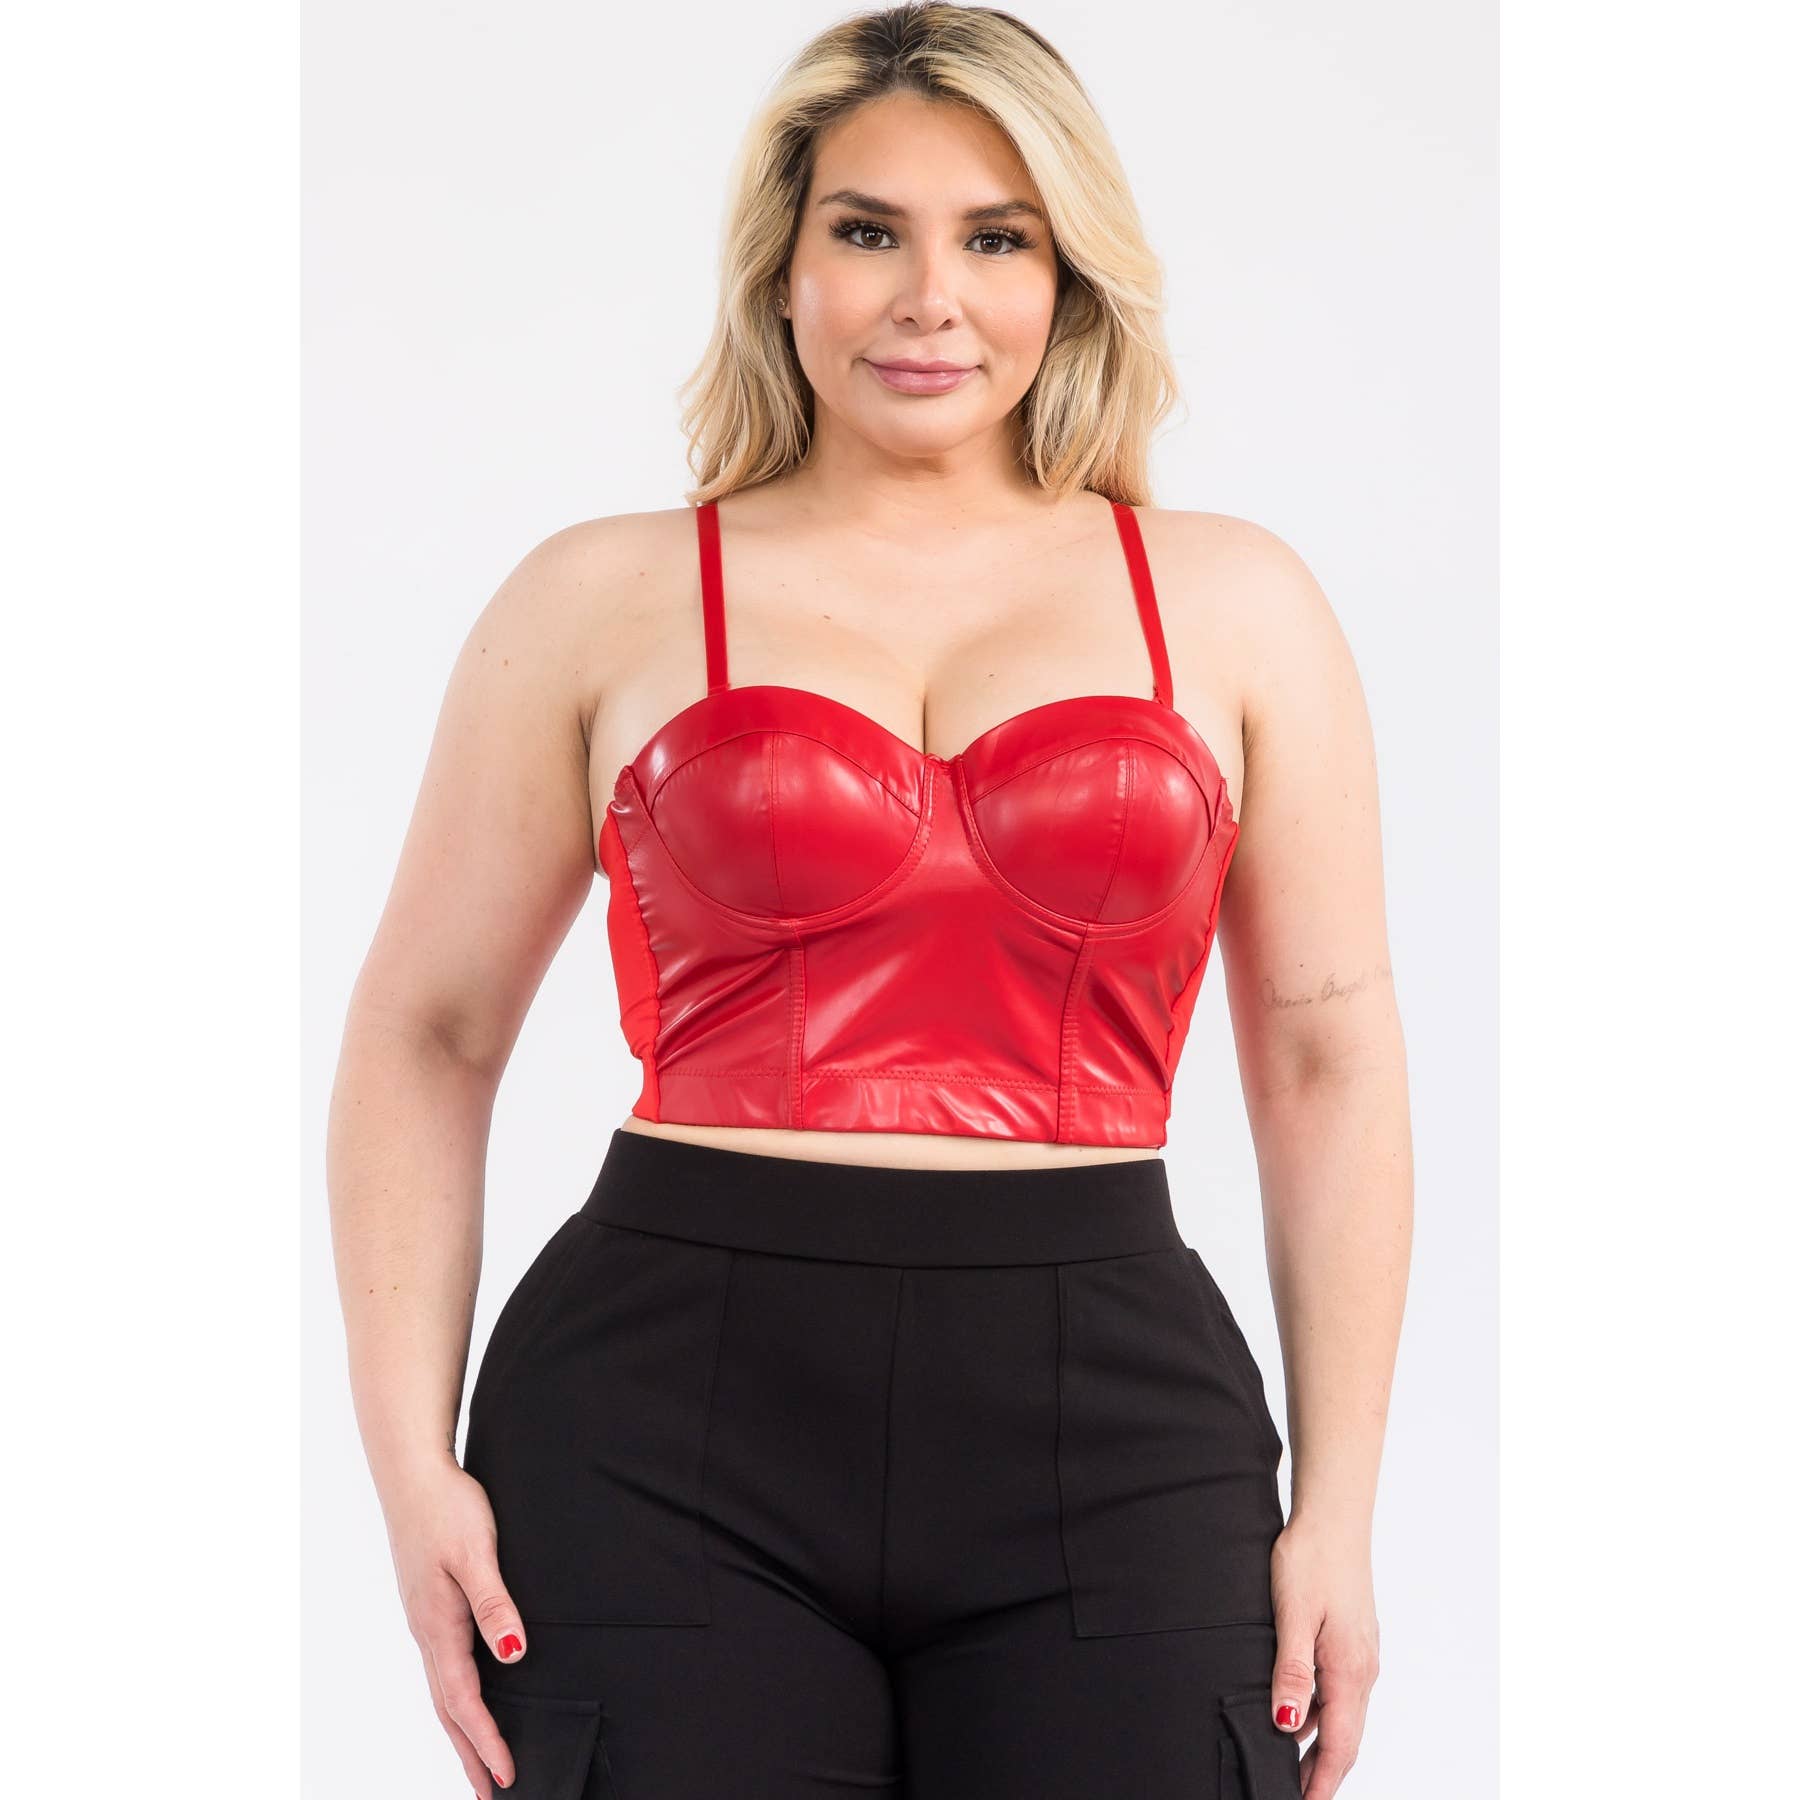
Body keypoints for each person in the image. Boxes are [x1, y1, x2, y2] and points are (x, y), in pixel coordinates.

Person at [326, 6, 1411, 1797]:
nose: (930, 299)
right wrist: (405, 1466)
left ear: (1068, 273)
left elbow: (1325, 1055)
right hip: (660, 1417)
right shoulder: (599, 597)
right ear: (785, 263)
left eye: (995, 238)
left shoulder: (1237, 604)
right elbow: (425, 1032)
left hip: (1114, 1416)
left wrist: (1344, 1507)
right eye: (868, 230)